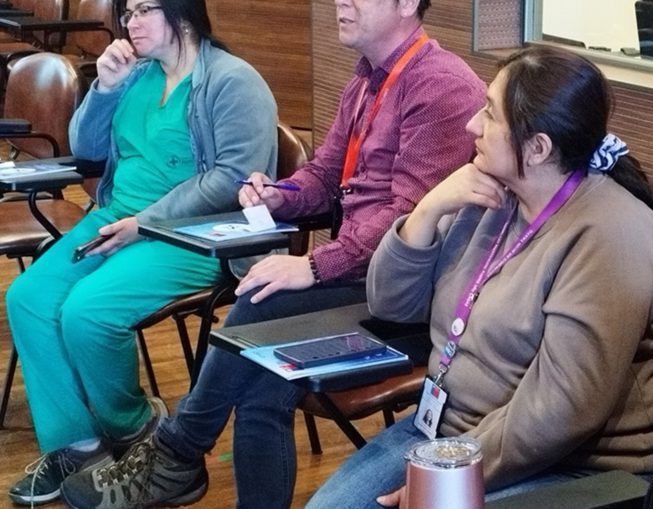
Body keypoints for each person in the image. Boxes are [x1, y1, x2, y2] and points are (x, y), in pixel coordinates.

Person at [59, 0, 487, 508]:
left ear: (407, 4)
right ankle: (178, 458)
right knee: (261, 380)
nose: (341, 2)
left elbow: (407, 217)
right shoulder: (367, 77)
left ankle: (178, 451)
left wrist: (312, 265)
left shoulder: (439, 86)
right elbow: (325, 174)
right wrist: (277, 196)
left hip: (411, 297)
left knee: (261, 302)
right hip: (364, 275)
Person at [303, 45, 653, 508]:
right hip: (446, 432)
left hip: (569, 466)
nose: (471, 125)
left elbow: (560, 412)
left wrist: (448, 475)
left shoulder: (613, 234)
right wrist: (429, 209)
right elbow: (391, 306)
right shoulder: (490, 197)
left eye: (489, 114)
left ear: (538, 148)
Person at [5, 0, 277, 505]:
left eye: (144, 10)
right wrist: (104, 90)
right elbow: (87, 149)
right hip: (115, 218)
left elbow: (233, 176)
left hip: (188, 235)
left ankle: (134, 428)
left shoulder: (233, 81)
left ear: (182, 13)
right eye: (127, 12)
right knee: (28, 298)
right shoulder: (136, 74)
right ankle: (79, 446)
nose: (130, 23)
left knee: (88, 311)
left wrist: (145, 223)